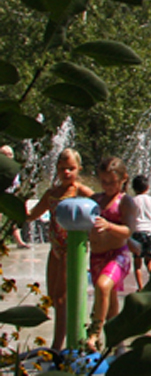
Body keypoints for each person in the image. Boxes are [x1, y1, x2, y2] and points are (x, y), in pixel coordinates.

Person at [26, 148, 93, 350]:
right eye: (62, 169)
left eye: (71, 168)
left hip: (71, 249)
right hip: (54, 249)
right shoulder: (51, 194)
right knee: (54, 297)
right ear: (56, 169)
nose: (66, 173)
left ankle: (59, 344)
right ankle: (65, 337)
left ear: (78, 169)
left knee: (63, 298)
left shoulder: (80, 191)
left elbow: (100, 207)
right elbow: (32, 215)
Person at [85, 157, 135, 352]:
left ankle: (94, 333)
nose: (107, 186)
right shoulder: (95, 200)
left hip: (118, 256)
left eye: (112, 182)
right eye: (103, 182)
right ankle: (118, 342)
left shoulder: (125, 202)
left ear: (123, 179)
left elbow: (128, 231)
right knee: (109, 298)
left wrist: (109, 226)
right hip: (97, 257)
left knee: (102, 286)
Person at [0, 145, 30, 249]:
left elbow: (16, 184)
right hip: (2, 197)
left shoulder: (14, 169)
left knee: (13, 218)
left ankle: (19, 241)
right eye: (5, 155)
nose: (8, 156)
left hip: (10, 196)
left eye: (10, 154)